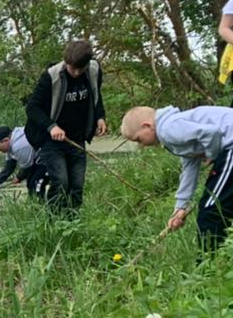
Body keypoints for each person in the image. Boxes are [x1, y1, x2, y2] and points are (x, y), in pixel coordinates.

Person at [120, 105, 233, 251]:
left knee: (211, 212)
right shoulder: (174, 127)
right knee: (221, 205)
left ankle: (209, 266)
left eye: (139, 139)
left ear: (147, 126)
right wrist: (180, 207)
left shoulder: (168, 129)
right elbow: (190, 167)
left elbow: (212, 133)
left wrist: (212, 156)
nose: (141, 146)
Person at [24, 40, 107, 212]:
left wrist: (100, 117)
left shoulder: (93, 70)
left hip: (76, 138)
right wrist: (51, 126)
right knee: (61, 182)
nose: (76, 73)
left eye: (80, 69)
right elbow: (32, 108)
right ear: (66, 62)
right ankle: (55, 221)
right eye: (72, 68)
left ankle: (73, 220)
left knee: (77, 185)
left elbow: (96, 97)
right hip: (51, 140)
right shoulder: (51, 77)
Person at [0, 124, 47, 197]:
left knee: (34, 183)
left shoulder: (18, 146)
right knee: (31, 182)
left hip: (48, 157)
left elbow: (28, 167)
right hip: (39, 159)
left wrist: (19, 177)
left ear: (5, 140)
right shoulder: (12, 140)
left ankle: (41, 205)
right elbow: (9, 166)